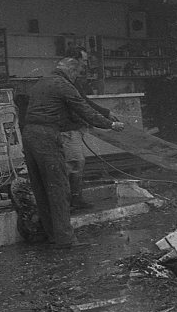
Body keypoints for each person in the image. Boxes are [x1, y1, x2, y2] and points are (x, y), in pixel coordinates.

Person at [21, 57, 124, 248]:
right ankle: (65, 239)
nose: (76, 77)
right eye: (77, 73)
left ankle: (52, 235)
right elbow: (85, 109)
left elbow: (54, 113)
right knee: (58, 187)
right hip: (46, 136)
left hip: (28, 135)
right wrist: (110, 124)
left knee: (41, 188)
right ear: (72, 71)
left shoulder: (41, 83)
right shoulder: (64, 85)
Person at [62, 46, 119, 210]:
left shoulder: (74, 80)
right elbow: (82, 105)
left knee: (76, 163)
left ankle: (73, 199)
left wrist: (106, 112)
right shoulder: (66, 81)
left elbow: (84, 101)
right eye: (84, 60)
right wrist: (107, 122)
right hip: (66, 130)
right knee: (74, 163)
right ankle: (72, 200)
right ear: (75, 61)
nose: (85, 64)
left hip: (72, 129)